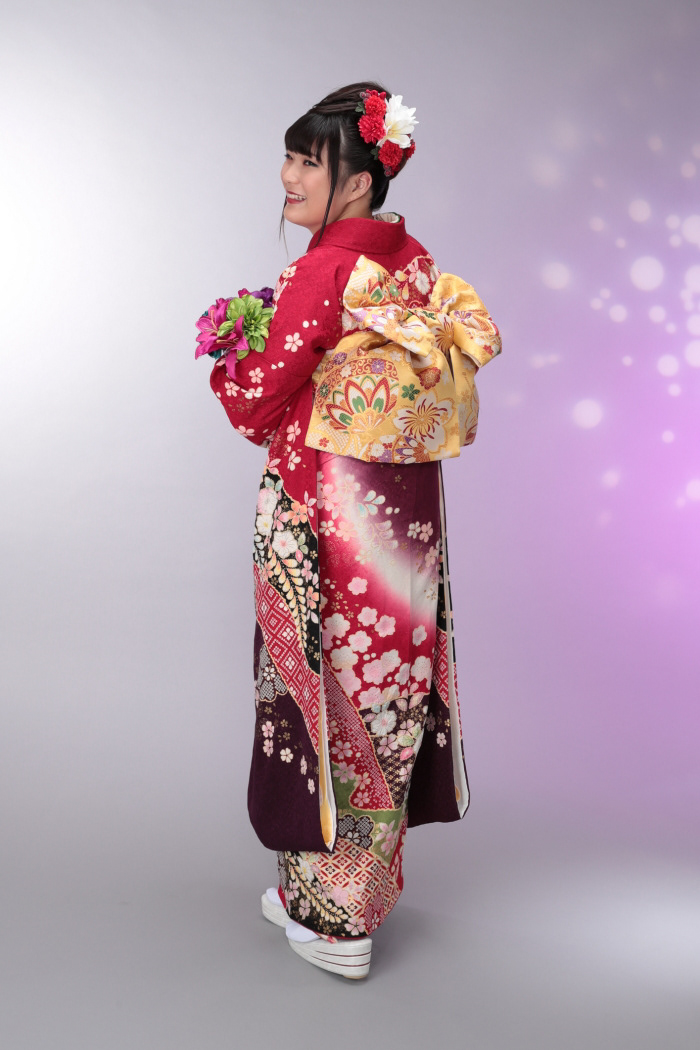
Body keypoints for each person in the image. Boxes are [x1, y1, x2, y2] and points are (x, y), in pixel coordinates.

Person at [201, 82, 502, 979]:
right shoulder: (412, 260)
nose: (288, 176)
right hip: (404, 517)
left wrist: (231, 352)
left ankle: (335, 923)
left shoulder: (326, 270)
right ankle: (338, 898)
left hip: (325, 508)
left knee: (323, 691)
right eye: (290, 157)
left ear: (359, 180)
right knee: (385, 692)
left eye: (309, 161)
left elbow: (257, 400)